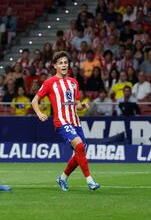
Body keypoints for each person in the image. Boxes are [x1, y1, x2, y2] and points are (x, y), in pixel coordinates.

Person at [31, 51, 100, 192]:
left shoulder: (73, 83)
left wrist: (83, 106)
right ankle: (90, 180)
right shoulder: (49, 83)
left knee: (79, 152)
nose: (64, 65)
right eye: (61, 63)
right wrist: (39, 113)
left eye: (66, 62)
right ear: (55, 66)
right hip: (61, 122)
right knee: (80, 147)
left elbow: (76, 104)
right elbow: (34, 100)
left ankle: (62, 178)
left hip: (75, 121)